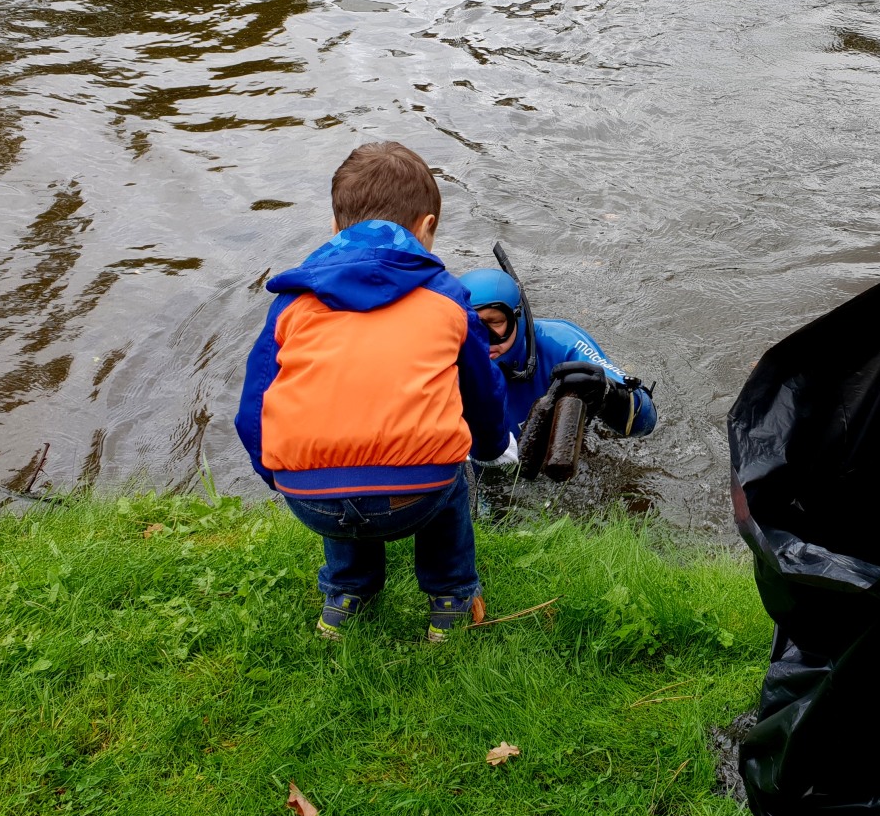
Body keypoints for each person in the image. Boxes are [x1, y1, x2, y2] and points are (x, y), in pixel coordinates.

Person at [235, 142, 512, 642]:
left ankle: (346, 596)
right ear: (426, 227)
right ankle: (450, 599)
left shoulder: (292, 303)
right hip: (420, 495)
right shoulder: (449, 299)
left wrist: (278, 476)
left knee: (335, 455)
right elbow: (482, 393)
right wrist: (492, 448)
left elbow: (252, 411)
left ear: (335, 226)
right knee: (451, 469)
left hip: (311, 500)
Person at [460, 266, 657, 447]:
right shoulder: (447, 357)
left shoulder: (560, 343)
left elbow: (644, 421)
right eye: (469, 326)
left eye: (494, 323)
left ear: (518, 317)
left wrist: (609, 395)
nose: (482, 340)